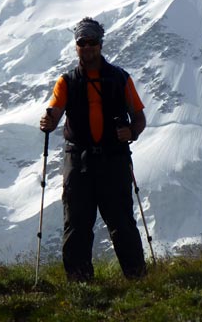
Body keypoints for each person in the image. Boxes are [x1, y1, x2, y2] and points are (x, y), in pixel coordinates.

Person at [39, 17, 147, 281]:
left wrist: (131, 132)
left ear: (100, 43)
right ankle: (83, 281)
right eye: (82, 43)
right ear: (76, 46)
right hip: (84, 159)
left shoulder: (121, 78)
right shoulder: (66, 82)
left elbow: (139, 117)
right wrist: (49, 120)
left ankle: (133, 278)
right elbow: (54, 110)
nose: (87, 47)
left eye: (92, 42)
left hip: (106, 160)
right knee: (77, 223)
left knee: (120, 222)